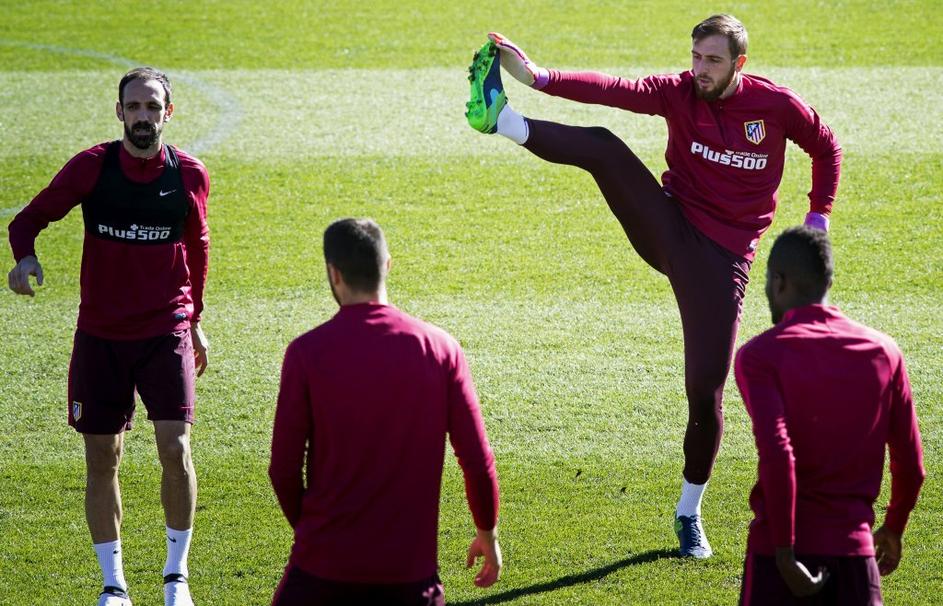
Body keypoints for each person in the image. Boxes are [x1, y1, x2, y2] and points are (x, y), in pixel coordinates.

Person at [465, 14, 842, 557]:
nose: (699, 69)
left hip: (721, 262)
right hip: (666, 226)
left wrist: (818, 218)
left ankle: (689, 512)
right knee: (603, 145)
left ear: (740, 64)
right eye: (695, 57)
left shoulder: (777, 107)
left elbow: (826, 148)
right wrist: (541, 76)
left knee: (705, 395)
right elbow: (615, 90)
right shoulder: (680, 92)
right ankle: (501, 120)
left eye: (712, 60)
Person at [7, 67, 210, 606]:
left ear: (169, 113)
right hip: (100, 336)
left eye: (152, 107)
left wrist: (196, 322)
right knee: (103, 455)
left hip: (165, 329)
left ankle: (176, 578)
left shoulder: (189, 174)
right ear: (119, 112)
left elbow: (198, 249)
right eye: (134, 107)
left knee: (176, 446)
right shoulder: (91, 169)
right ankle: (114, 585)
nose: (143, 116)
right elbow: (26, 220)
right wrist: (23, 257)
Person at [268, 218, 502, 605]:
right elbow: (477, 462)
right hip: (411, 581)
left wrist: (312, 530)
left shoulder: (306, 353)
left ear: (333, 273)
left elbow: (283, 469)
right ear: (387, 265)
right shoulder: (441, 349)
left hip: (321, 572)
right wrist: (488, 534)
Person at [734, 226, 925, 604]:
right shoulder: (884, 352)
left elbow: (778, 452)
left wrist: (786, 552)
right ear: (828, 281)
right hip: (855, 557)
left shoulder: (760, 356)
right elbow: (912, 465)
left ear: (778, 281)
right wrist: (895, 525)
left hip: (777, 560)